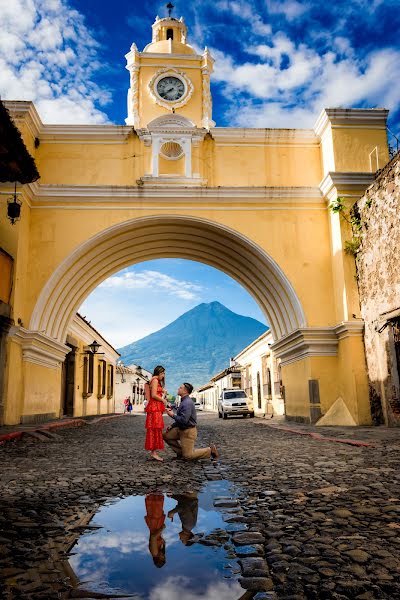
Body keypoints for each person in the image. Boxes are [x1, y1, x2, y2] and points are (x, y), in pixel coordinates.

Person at [163, 383, 218, 461]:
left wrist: (172, 415)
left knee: (188, 456)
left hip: (188, 432)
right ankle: (180, 453)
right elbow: (182, 418)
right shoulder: (183, 401)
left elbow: (184, 420)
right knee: (165, 435)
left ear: (185, 391)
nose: (178, 389)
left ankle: (210, 450)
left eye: (180, 388)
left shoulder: (187, 403)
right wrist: (172, 426)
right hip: (180, 429)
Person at [145, 365, 168, 462]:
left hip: (155, 408)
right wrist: (163, 400)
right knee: (154, 428)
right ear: (158, 372)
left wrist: (163, 391)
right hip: (154, 408)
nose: (163, 375)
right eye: (162, 373)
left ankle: (153, 452)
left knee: (155, 428)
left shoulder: (155, 381)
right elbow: (154, 395)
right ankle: (153, 452)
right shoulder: (155, 380)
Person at [144, 493, 166, 568]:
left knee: (154, 510)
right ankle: (154, 494)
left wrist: (162, 528)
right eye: (164, 557)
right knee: (156, 509)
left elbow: (153, 537)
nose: (163, 556)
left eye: (162, 558)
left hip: (154, 526)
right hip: (156, 526)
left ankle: (153, 495)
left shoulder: (155, 553)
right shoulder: (158, 551)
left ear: (158, 559)